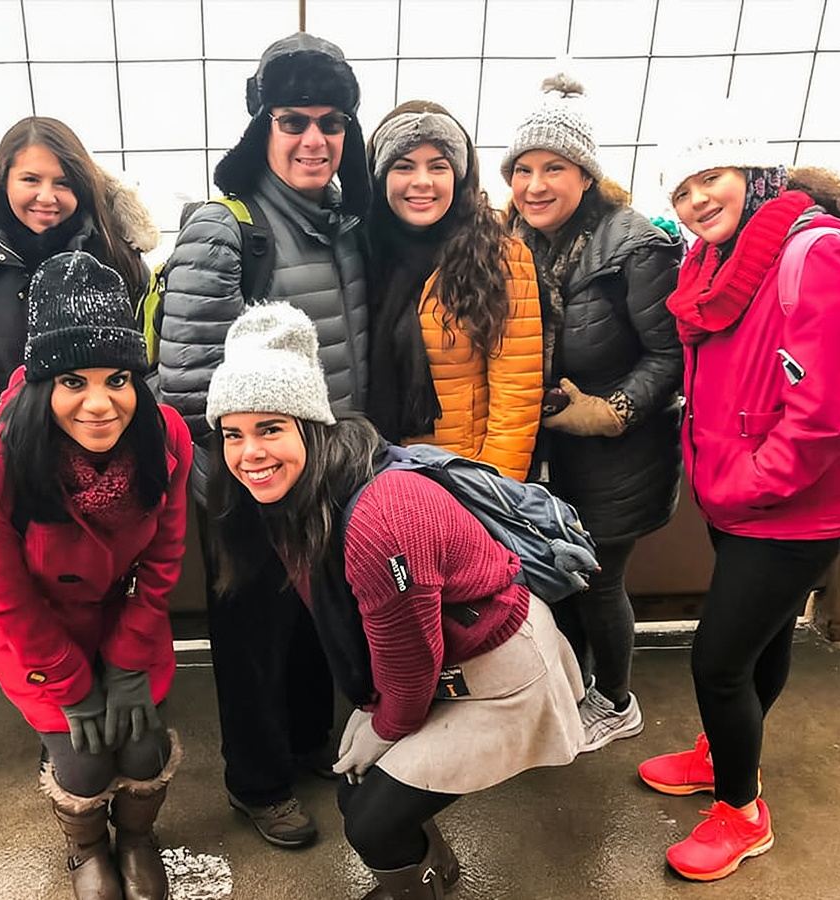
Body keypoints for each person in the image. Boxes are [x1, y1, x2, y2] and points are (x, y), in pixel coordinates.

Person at [204, 302, 585, 899]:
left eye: (270, 428)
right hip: (446, 659)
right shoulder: (300, 496)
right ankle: (432, 875)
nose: (249, 453)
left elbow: (411, 660)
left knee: (370, 820)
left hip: (498, 665)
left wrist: (385, 722)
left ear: (311, 424)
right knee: (361, 793)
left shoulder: (381, 518)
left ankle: (414, 886)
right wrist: (377, 711)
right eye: (233, 433)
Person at [639, 125, 840, 881]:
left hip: (797, 504)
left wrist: (748, 482)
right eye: (681, 190)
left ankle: (742, 813)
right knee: (762, 641)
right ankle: (724, 755)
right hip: (741, 494)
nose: (696, 200)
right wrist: (731, 485)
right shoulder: (717, 261)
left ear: (755, 173)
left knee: (717, 662)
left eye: (711, 177)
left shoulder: (818, 254)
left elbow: (830, 410)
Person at [156, 32, 371, 848]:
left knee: (319, 621)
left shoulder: (343, 223)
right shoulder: (227, 229)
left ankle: (310, 742)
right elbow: (186, 380)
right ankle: (258, 782)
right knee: (253, 638)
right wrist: (247, 468)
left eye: (331, 122)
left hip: (326, 474)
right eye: (293, 121)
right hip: (245, 478)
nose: (315, 139)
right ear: (263, 128)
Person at [0, 251, 190, 900]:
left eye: (118, 378)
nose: (99, 403)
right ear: (43, 385)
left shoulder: (164, 435)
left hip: (128, 620)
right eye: (72, 381)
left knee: (142, 749)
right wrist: (70, 684)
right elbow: (4, 601)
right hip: (39, 637)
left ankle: (137, 838)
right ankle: (85, 847)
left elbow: (164, 557)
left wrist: (130, 657)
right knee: (83, 764)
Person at [502, 73, 683, 750]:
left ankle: (616, 699)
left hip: (618, 454)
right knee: (556, 575)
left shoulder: (634, 244)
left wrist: (613, 411)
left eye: (554, 168)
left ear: (586, 174)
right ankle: (571, 686)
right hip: (545, 447)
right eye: (522, 169)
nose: (535, 185)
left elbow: (670, 354)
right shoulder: (512, 239)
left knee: (599, 581)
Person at [0, 116, 158, 532]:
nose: (47, 196)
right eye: (31, 179)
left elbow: (141, 370)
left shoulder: (118, 258)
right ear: (3, 179)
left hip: (99, 473)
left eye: (63, 183)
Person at [365, 101, 542, 480]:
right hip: (373, 472)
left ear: (459, 176)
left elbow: (516, 397)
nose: (422, 181)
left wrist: (491, 490)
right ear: (380, 177)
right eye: (404, 166)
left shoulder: (499, 256)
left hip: (461, 475)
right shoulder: (360, 252)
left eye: (438, 166)